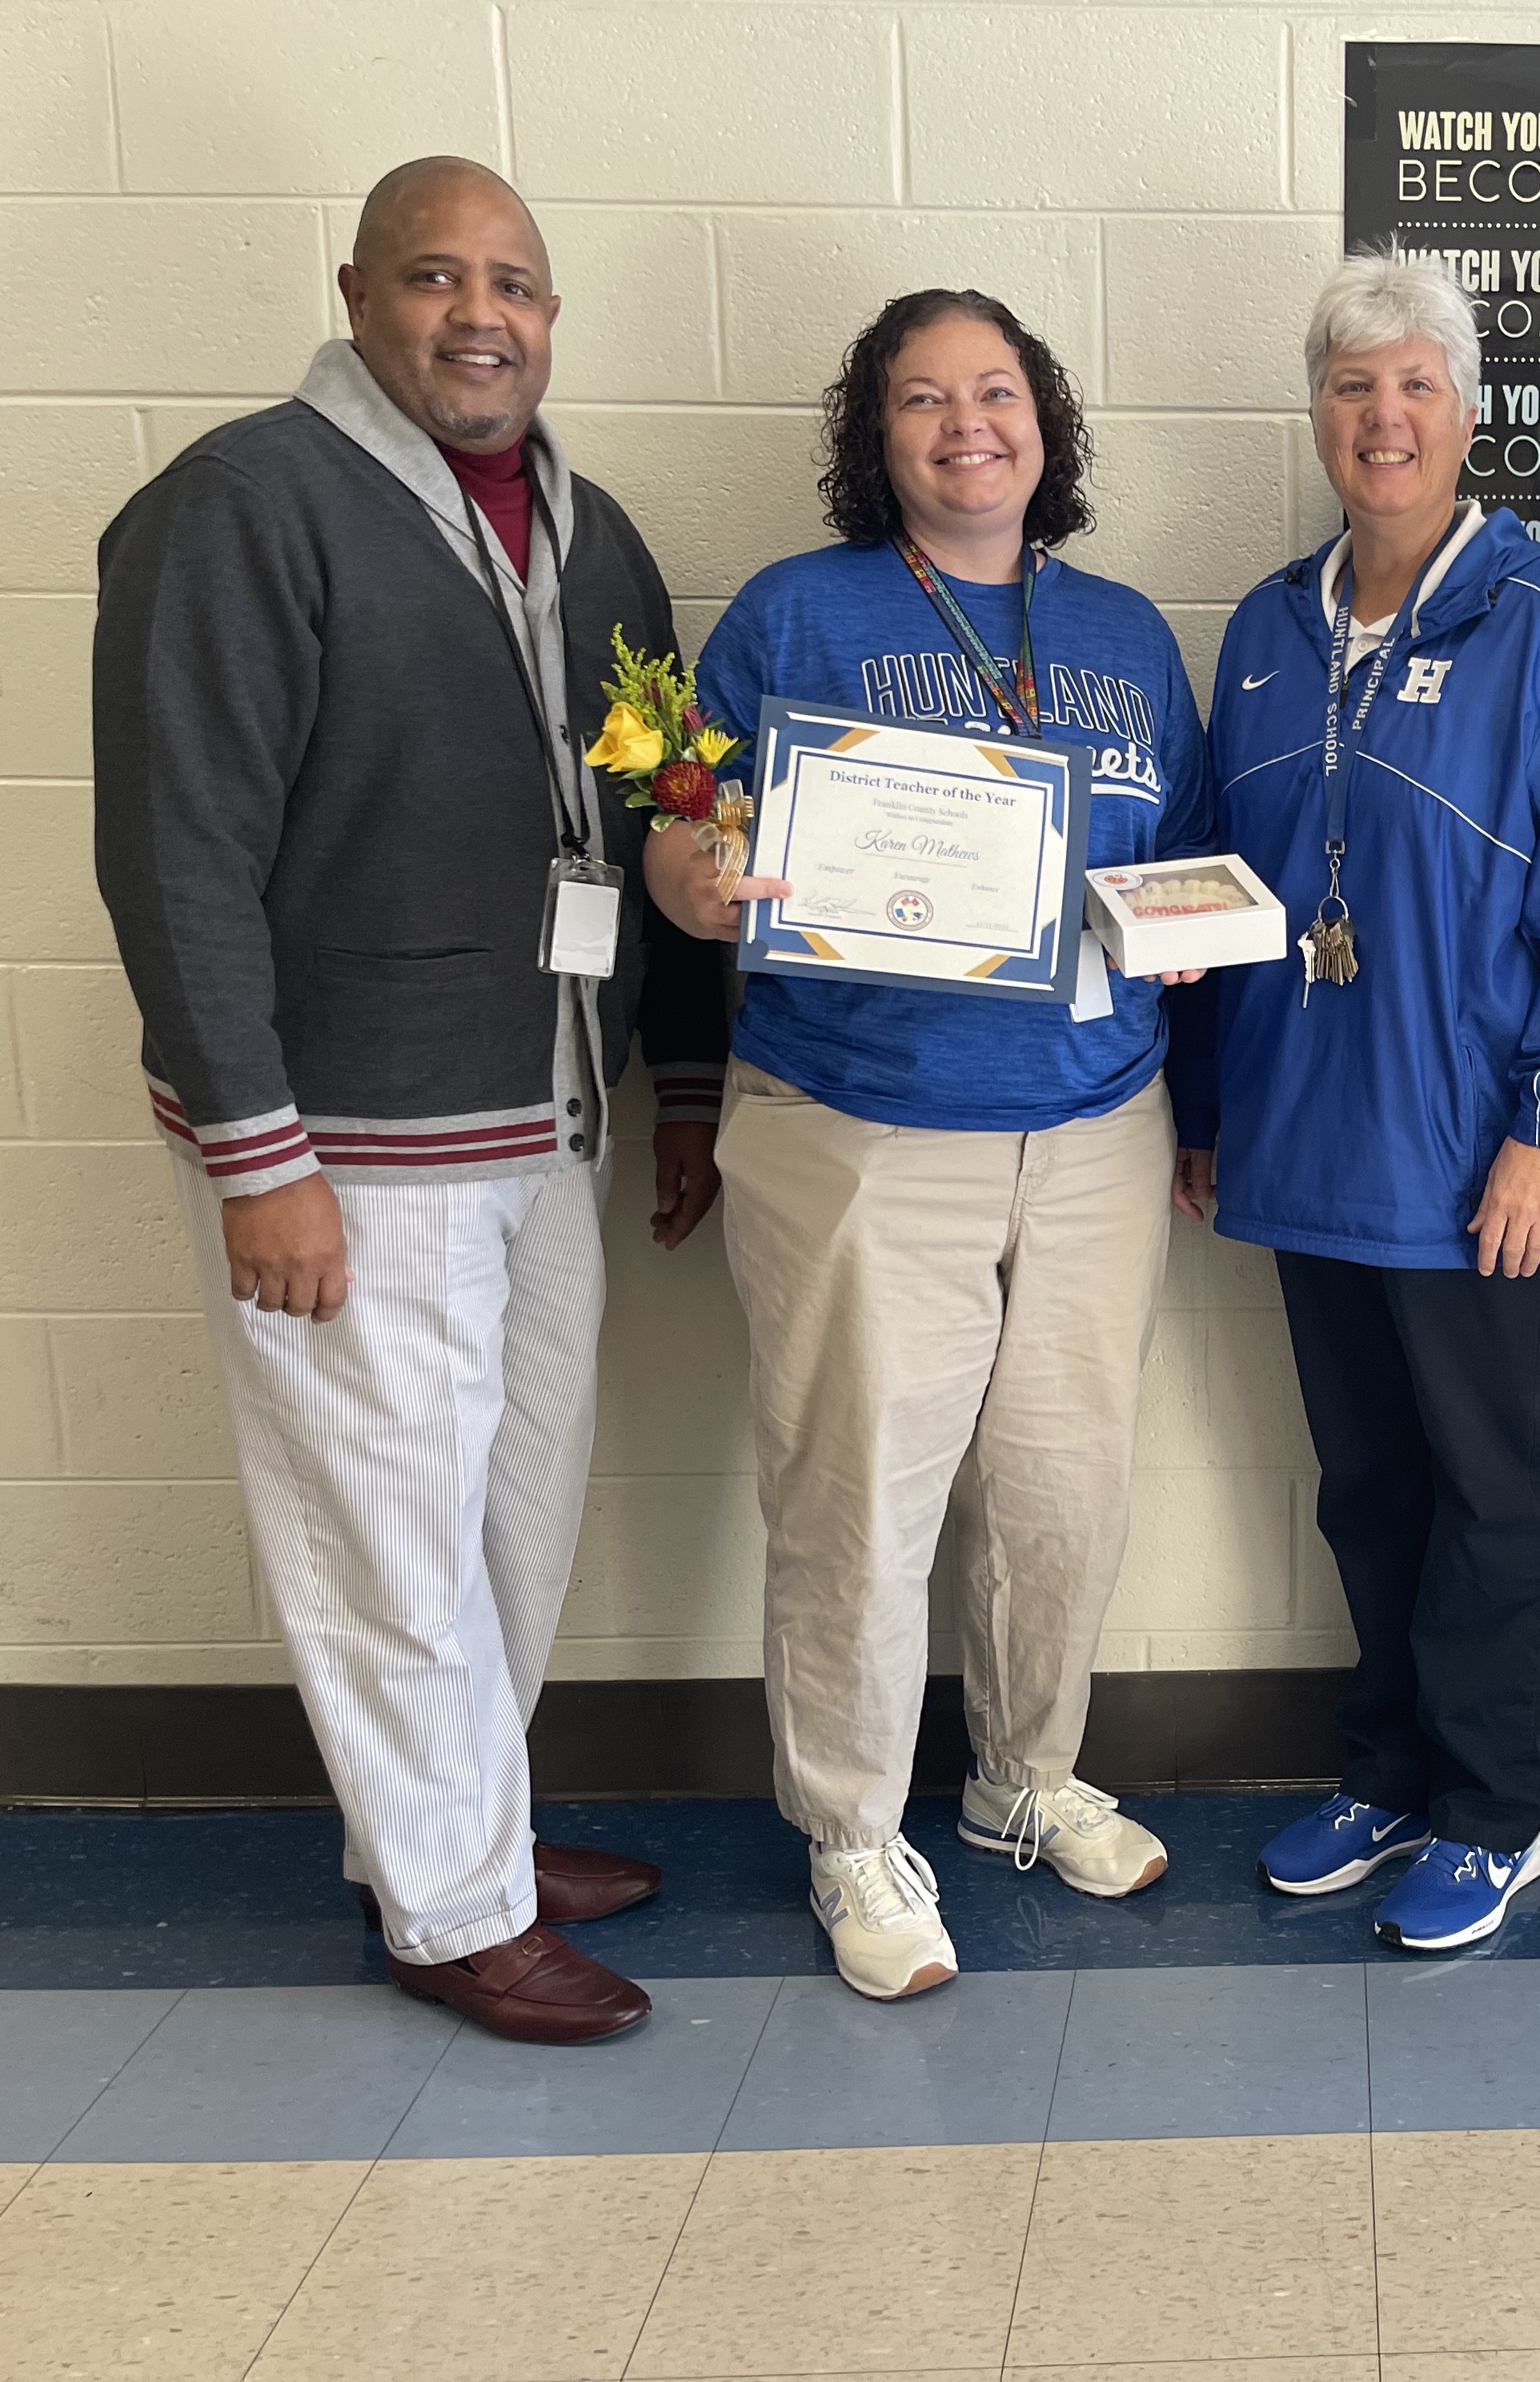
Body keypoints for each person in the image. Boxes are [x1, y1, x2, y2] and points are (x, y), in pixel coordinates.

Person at [93, 157, 730, 2046]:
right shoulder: (241, 505)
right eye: (440, 277)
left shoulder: (587, 530)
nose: (483, 316)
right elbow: (175, 854)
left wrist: (678, 1078)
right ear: (358, 289)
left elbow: (661, 814)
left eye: (517, 285)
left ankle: (465, 1831)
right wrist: (255, 1149)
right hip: (350, 1144)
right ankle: (454, 1908)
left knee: (511, 1516)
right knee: (381, 1531)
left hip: (547, 1119)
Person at [648, 289, 1211, 2003]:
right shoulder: (791, 615)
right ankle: (851, 1830)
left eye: (996, 392)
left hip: (1098, 1127)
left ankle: (1022, 1779)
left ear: (1046, 423)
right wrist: (694, 889)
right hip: (859, 1131)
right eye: (920, 400)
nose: (967, 426)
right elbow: (692, 840)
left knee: (1064, 1493)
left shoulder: (1121, 632)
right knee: (858, 1505)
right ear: (873, 437)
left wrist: (1191, 931)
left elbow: (1173, 855)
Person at [1173, 252, 1540, 1952]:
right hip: (1304, 1144)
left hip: (1477, 1158)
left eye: (1415, 386)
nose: (1383, 416)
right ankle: (1385, 1773)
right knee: (1364, 1485)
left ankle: (1492, 1805)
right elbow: (1212, 892)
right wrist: (1199, 1105)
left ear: (1469, 412)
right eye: (1350, 386)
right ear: (1316, 414)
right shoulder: (1259, 629)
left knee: (1490, 1490)